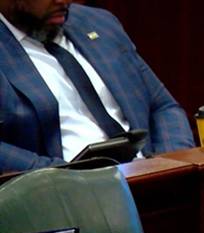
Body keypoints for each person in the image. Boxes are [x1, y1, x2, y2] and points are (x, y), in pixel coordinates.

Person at [0, 0, 194, 173]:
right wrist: (62, 177)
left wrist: (170, 165)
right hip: (62, 195)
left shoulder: (98, 22)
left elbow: (162, 106)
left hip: (149, 178)